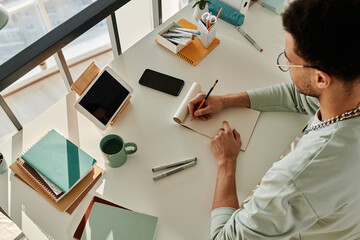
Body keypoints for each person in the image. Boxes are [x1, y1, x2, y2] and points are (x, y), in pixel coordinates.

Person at [188, 0, 360, 239]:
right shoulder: (348, 88)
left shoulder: (296, 179)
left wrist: (226, 162)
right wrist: (226, 101)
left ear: (321, 79)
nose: (286, 65)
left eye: (289, 60)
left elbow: (223, 237)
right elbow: (300, 97)